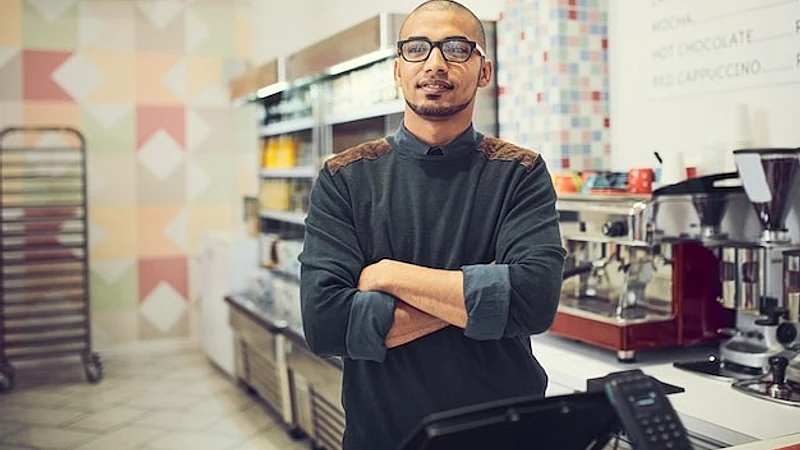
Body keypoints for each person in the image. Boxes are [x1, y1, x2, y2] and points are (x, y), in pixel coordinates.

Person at [298, 1, 566, 448]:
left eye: (457, 48)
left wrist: (389, 276)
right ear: (397, 69)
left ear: (484, 71)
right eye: (417, 48)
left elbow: (534, 301)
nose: (435, 63)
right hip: (385, 437)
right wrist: (487, 294)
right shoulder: (346, 177)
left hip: (505, 435)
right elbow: (326, 324)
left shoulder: (519, 172)